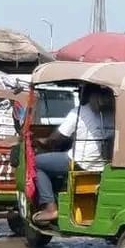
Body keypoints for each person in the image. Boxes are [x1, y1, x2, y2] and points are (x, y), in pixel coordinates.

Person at [32, 84, 114, 224]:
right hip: (103, 165)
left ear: (86, 94)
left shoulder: (79, 112)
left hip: (80, 162)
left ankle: (50, 208)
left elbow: (56, 139)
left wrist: (42, 141)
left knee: (36, 163)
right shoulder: (112, 114)